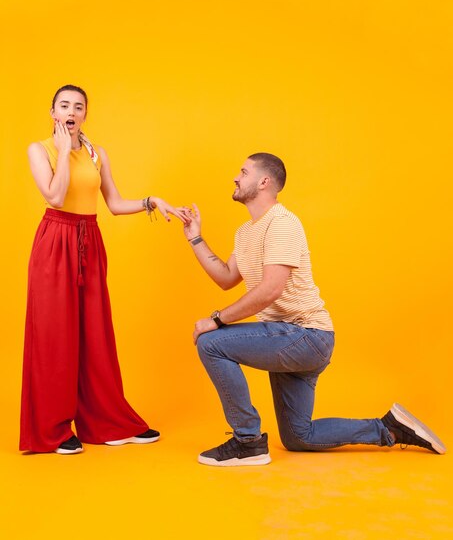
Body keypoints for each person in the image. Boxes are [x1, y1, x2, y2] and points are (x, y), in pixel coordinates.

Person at [182, 152, 446, 466]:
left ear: (264, 181)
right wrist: (195, 237)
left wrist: (216, 319)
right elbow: (226, 278)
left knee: (212, 343)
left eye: (243, 171)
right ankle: (388, 429)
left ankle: (247, 441)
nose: (236, 177)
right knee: (298, 436)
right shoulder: (246, 232)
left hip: (306, 336)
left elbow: (270, 289)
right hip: (286, 339)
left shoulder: (282, 224)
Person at [21, 84, 188, 455]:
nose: (71, 111)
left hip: (89, 241)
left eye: (78, 106)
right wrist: (64, 152)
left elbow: (113, 203)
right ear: (53, 113)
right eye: (64, 105)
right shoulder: (41, 149)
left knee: (95, 333)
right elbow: (54, 195)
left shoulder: (98, 154)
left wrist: (151, 201)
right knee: (55, 334)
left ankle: (108, 423)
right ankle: (54, 430)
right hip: (55, 241)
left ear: (85, 115)